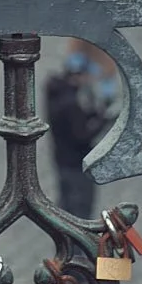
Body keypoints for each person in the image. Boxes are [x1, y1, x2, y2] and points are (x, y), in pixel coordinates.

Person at [45, 51, 111, 218]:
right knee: (80, 212)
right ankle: (77, 245)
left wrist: (93, 114)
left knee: (66, 209)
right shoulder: (70, 103)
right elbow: (82, 135)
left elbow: (75, 122)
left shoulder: (57, 92)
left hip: (62, 160)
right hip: (76, 165)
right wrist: (103, 120)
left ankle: (63, 243)